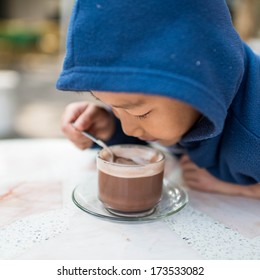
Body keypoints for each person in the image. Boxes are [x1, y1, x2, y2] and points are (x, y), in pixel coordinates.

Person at [57, 0, 260, 199]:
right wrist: (110, 126)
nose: (129, 128)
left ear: (198, 83)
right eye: (115, 108)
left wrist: (239, 189)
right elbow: (153, 133)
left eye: (141, 113)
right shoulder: (183, 106)